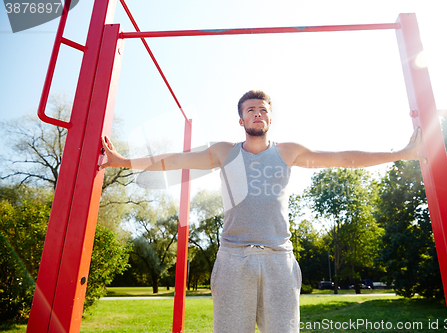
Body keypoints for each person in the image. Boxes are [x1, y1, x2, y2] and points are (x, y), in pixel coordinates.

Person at [100, 90, 425, 333]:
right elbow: (174, 160)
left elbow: (343, 157)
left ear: (270, 119)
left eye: (263, 110)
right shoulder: (223, 152)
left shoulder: (288, 152)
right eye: (250, 110)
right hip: (233, 259)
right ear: (241, 120)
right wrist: (122, 161)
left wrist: (402, 153)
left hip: (278, 259)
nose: (257, 114)